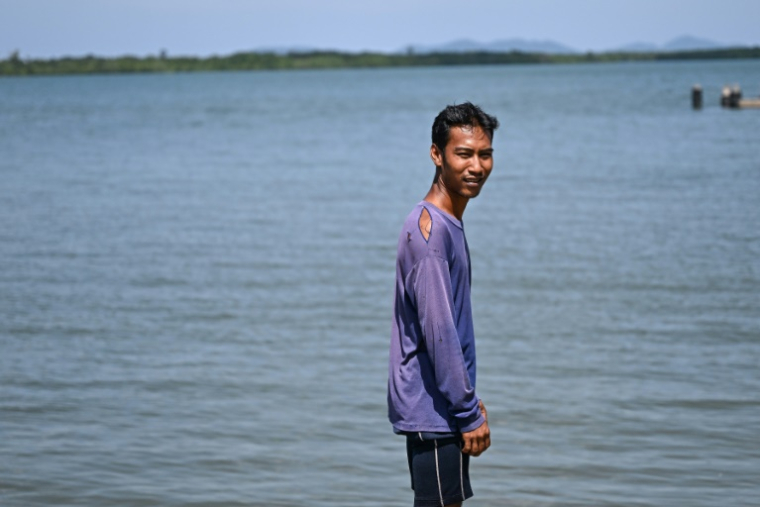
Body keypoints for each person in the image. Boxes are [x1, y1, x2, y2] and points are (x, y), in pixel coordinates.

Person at [388, 102, 499, 507]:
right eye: (463, 153)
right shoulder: (430, 234)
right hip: (432, 411)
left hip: (444, 405)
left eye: (484, 154)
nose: (476, 166)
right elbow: (439, 334)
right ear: (437, 155)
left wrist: (465, 398)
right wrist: (467, 412)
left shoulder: (447, 222)